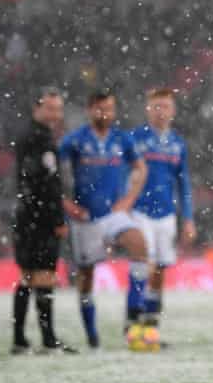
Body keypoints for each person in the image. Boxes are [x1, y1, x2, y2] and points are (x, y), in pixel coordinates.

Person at [59, 89, 150, 349]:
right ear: (90, 110)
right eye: (100, 109)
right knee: (86, 277)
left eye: (110, 108)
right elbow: (53, 175)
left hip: (113, 214)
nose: (106, 113)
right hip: (85, 217)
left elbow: (141, 168)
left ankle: (132, 321)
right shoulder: (74, 140)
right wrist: (66, 204)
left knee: (139, 245)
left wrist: (129, 199)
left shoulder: (122, 139)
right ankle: (92, 336)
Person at [11, 87, 77, 354]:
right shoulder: (38, 138)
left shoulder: (33, 136)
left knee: (29, 277)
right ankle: (47, 339)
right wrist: (57, 218)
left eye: (58, 109)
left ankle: (21, 339)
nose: (55, 114)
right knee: (42, 276)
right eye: (50, 108)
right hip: (38, 218)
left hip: (29, 215)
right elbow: (46, 184)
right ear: (37, 108)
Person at [130, 88, 196, 334]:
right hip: (139, 211)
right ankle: (132, 321)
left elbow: (184, 183)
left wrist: (188, 218)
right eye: (156, 106)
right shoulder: (135, 138)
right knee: (141, 266)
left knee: (159, 269)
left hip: (166, 213)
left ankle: (151, 324)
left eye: (165, 106)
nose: (161, 111)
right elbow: (124, 174)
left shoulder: (177, 143)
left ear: (173, 110)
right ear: (148, 109)